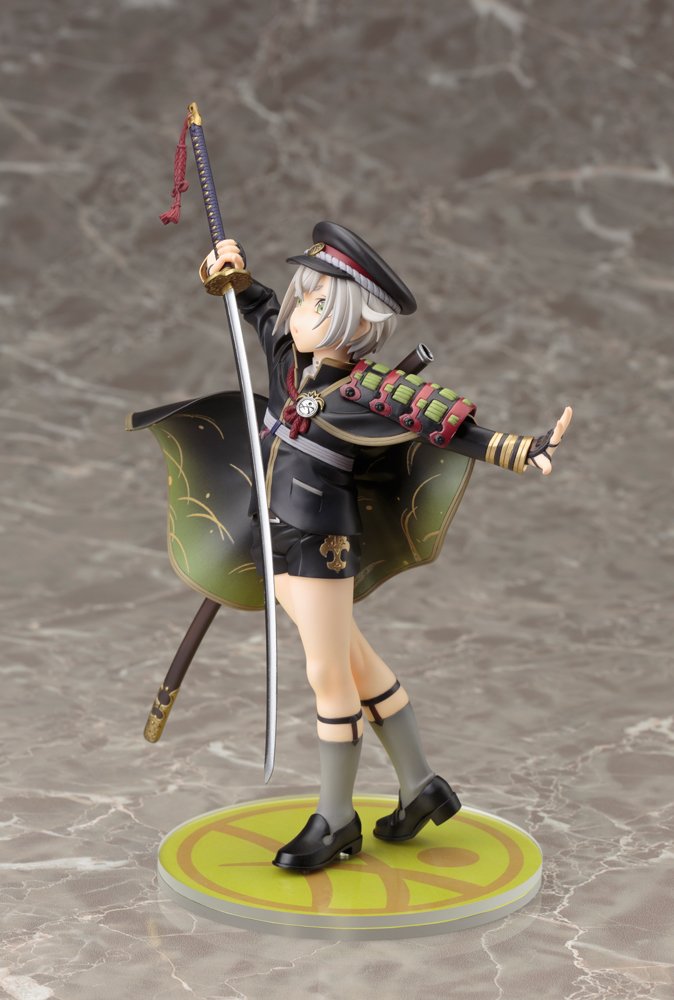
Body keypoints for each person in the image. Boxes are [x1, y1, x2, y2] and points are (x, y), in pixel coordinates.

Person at [188, 221, 572, 873]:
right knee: (354, 659)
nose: (300, 312)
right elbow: (261, 312)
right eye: (305, 296)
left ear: (355, 321)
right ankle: (421, 784)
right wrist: (236, 276)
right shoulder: (288, 363)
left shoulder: (370, 394)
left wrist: (521, 449)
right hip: (274, 531)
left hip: (320, 540)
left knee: (327, 672)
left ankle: (336, 818)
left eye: (319, 303)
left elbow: (447, 423)